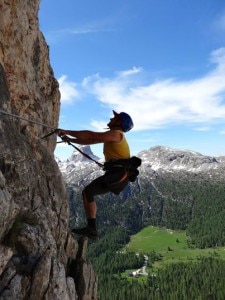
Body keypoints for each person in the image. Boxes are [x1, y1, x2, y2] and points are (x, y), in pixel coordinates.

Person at [57, 110, 134, 240]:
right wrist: (70, 139)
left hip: (117, 175)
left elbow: (92, 136)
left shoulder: (116, 134)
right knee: (88, 192)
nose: (111, 118)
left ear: (119, 122)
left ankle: (92, 228)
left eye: (115, 117)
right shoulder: (114, 135)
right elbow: (89, 141)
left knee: (88, 192)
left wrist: (68, 132)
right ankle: (91, 228)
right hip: (117, 175)